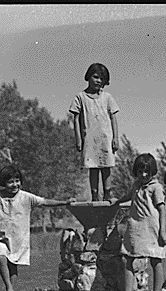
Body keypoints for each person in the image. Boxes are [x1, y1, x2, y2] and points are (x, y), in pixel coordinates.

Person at [0, 165, 75, 291]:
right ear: (3, 183)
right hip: (1, 237)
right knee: (1, 257)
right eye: (10, 182)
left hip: (18, 238)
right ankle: (9, 287)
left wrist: (65, 202)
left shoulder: (26, 197)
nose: (14, 185)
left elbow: (45, 202)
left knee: (13, 264)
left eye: (17, 181)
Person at [109, 153, 166, 291]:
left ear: (152, 171)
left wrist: (163, 231)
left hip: (151, 227)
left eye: (147, 172)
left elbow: (162, 210)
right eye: (140, 171)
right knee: (128, 258)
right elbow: (129, 196)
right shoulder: (136, 185)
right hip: (135, 226)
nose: (143, 175)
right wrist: (118, 201)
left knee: (156, 260)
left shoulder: (156, 188)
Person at [69, 63, 119, 202]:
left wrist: (115, 138)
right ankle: (95, 195)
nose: (98, 81)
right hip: (89, 139)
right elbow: (76, 118)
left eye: (101, 79)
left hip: (105, 138)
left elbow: (113, 118)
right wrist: (78, 139)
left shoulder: (107, 97)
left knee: (106, 165)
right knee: (93, 167)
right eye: (95, 77)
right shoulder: (81, 97)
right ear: (88, 77)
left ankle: (107, 193)